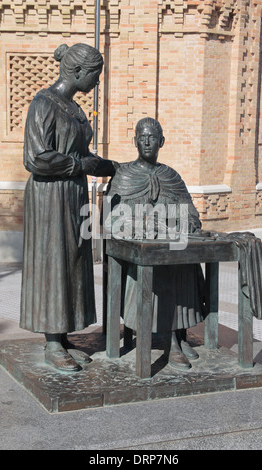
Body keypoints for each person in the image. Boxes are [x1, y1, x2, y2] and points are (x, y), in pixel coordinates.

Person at [20, 43, 118, 372]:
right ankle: (51, 342)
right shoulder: (44, 103)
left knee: (73, 261)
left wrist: (105, 165)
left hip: (72, 194)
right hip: (49, 198)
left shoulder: (73, 108)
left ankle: (62, 337)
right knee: (53, 262)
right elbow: (36, 158)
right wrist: (82, 165)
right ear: (77, 72)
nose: (97, 81)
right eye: (95, 74)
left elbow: (82, 155)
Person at [104, 117, 206, 370]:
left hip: (168, 245)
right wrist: (139, 224)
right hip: (137, 252)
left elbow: (191, 213)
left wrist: (185, 223)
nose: (147, 141)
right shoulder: (124, 174)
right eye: (142, 136)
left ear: (162, 141)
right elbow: (113, 218)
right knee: (159, 265)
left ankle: (179, 333)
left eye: (152, 137)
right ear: (135, 141)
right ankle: (171, 340)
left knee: (182, 258)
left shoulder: (171, 175)